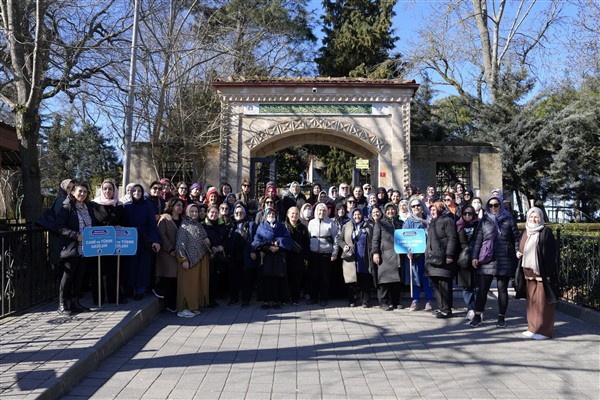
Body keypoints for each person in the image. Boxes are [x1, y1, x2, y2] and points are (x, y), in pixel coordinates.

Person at [470, 195, 520, 328]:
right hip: (487, 257)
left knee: (502, 289)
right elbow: (477, 240)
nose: (493, 208)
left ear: (501, 206)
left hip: (504, 258)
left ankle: (501, 317)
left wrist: (516, 251)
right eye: (491, 205)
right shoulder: (484, 221)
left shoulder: (509, 220)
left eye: (496, 205)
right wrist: (474, 256)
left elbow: (516, 238)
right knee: (482, 289)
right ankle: (477, 315)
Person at [516, 207, 559, 340]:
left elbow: (552, 254)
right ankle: (532, 327)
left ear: (541, 218)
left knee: (543, 302)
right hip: (528, 272)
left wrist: (548, 271)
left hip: (542, 272)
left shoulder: (546, 232)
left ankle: (544, 331)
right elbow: (522, 247)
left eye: (536, 217)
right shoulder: (526, 232)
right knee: (532, 302)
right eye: (531, 217)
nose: (533, 219)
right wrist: (519, 252)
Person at [56, 182, 97, 314]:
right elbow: (60, 227)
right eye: (80, 191)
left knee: (79, 277)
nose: (82, 194)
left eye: (85, 192)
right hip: (72, 247)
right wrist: (75, 236)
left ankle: (75, 302)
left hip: (85, 249)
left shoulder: (87, 207)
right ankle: (62, 304)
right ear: (73, 192)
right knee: (67, 277)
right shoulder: (67, 206)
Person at [91, 179, 126, 304]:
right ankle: (98, 298)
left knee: (113, 270)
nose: (107, 191)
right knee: (98, 271)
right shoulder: (94, 204)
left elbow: (124, 221)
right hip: (98, 242)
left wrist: (119, 226)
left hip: (114, 242)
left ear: (114, 190)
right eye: (105, 188)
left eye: (110, 189)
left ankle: (114, 297)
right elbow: (92, 222)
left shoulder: (119, 205)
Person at [125, 184, 162, 300]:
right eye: (134, 190)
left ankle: (140, 290)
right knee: (130, 266)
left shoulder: (147, 206)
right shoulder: (126, 206)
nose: (137, 193)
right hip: (129, 241)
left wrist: (155, 240)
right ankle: (130, 288)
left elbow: (152, 224)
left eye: (139, 191)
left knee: (142, 266)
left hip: (144, 240)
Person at [175, 204, 211, 318]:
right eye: (192, 211)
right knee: (187, 285)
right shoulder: (184, 226)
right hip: (188, 260)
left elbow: (203, 236)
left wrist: (206, 239)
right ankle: (183, 308)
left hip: (200, 259)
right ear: (187, 212)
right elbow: (180, 244)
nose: (194, 213)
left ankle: (193, 306)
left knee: (196, 285)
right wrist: (183, 259)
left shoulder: (198, 225)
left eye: (196, 211)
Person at [252, 207, 293, 309]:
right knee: (265, 279)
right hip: (265, 256)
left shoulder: (281, 226)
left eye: (273, 215)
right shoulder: (261, 226)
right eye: (269, 215)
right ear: (265, 216)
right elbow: (256, 241)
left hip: (278, 256)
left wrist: (278, 242)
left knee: (276, 279)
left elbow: (288, 239)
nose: (271, 217)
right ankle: (265, 301)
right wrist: (268, 247)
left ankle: (275, 301)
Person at [425, 201, 459, 318]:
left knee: (444, 285)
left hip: (443, 259)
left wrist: (449, 255)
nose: (432, 212)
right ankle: (441, 308)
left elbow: (452, 238)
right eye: (431, 210)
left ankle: (446, 309)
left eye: (434, 209)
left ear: (440, 209)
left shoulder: (447, 220)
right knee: (436, 285)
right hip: (432, 260)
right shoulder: (432, 222)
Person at [371, 202, 403, 311]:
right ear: (385, 211)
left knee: (396, 280)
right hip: (384, 254)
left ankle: (395, 301)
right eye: (388, 210)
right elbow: (375, 240)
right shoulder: (379, 223)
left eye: (392, 209)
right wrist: (375, 253)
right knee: (384, 279)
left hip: (397, 255)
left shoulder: (399, 223)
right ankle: (383, 302)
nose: (390, 211)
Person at [403, 198, 433, 312]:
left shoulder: (429, 219)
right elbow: (404, 237)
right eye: (413, 206)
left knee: (427, 277)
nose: (416, 208)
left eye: (418, 205)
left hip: (428, 254)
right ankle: (415, 300)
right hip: (415, 255)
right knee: (415, 277)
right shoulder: (409, 221)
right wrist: (408, 251)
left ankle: (429, 300)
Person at [154, 197, 184, 311]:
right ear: (172, 206)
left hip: (178, 253)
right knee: (169, 277)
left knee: (175, 280)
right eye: (178, 205)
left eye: (181, 205)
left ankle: (172, 305)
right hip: (167, 253)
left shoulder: (183, 219)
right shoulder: (165, 219)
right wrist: (170, 248)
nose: (180, 207)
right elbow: (162, 235)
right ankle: (158, 289)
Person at [226, 203, 258, 306]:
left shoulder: (251, 224)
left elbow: (255, 239)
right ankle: (233, 298)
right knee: (233, 278)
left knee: (246, 279)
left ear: (244, 213)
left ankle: (246, 300)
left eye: (241, 212)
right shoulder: (231, 225)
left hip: (246, 255)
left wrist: (253, 250)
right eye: (237, 212)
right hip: (234, 255)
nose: (239, 214)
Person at [307, 202, 338, 306]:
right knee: (313, 276)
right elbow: (308, 238)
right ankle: (313, 297)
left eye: (324, 210)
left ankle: (324, 298)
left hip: (326, 253)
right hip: (314, 253)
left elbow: (336, 239)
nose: (322, 212)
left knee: (325, 277)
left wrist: (334, 253)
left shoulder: (331, 222)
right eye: (320, 210)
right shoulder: (311, 222)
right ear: (316, 211)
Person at [339, 208, 372, 307]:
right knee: (351, 279)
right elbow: (340, 239)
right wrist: (343, 245)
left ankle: (365, 300)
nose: (357, 216)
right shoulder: (347, 225)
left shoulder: (367, 225)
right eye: (355, 214)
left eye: (359, 214)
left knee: (364, 279)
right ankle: (352, 300)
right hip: (351, 256)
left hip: (363, 256)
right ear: (352, 215)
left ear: (362, 215)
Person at [456, 205, 480, 321]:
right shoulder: (459, 225)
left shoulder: (479, 225)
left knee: (477, 286)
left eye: (470, 213)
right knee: (466, 287)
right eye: (465, 213)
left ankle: (478, 309)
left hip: (477, 258)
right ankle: (471, 309)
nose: (467, 216)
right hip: (463, 259)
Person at [203, 205, 229, 306]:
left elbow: (226, 238)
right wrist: (211, 247)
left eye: (215, 213)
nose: (214, 215)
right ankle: (208, 300)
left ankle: (214, 298)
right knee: (209, 278)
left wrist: (222, 246)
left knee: (217, 278)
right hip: (209, 255)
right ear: (207, 213)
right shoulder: (203, 225)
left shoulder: (222, 225)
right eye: (211, 212)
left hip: (220, 255)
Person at [284, 206, 310, 305]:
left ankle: (295, 298)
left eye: (296, 213)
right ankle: (287, 298)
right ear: (288, 214)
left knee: (297, 279)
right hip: (287, 257)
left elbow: (306, 244)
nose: (294, 215)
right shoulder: (283, 226)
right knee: (287, 279)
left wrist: (306, 257)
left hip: (299, 257)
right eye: (292, 213)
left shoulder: (303, 228)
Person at [48, 179, 74, 269]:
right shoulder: (61, 200)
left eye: (72, 188)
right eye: (68, 187)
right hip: (58, 235)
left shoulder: (68, 199)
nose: (70, 190)